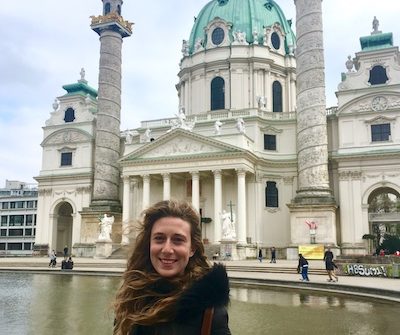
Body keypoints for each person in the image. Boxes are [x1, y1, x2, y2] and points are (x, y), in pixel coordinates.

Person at [113, 200, 231, 335]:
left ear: (192, 248)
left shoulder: (211, 312)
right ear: (149, 244)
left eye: (178, 240)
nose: (167, 249)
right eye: (159, 238)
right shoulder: (129, 299)